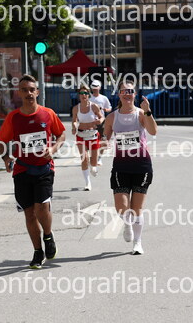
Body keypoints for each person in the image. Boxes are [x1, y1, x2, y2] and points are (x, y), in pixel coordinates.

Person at [0, 75, 66, 269]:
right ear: (19, 93)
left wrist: (53, 149)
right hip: (22, 170)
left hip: (44, 169)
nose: (28, 93)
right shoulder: (13, 117)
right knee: (29, 214)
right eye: (24, 90)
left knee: (42, 208)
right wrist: (6, 158)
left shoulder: (48, 114)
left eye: (31, 89)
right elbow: (1, 141)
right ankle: (37, 251)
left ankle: (48, 235)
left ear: (37, 92)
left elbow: (61, 134)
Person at [103, 80, 157, 255]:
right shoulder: (112, 117)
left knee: (137, 208)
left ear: (134, 94)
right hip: (121, 166)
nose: (127, 94)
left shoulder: (141, 114)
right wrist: (103, 144)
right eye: (124, 91)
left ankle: (137, 242)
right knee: (122, 207)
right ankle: (127, 224)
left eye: (130, 91)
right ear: (119, 94)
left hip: (141, 165)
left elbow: (153, 131)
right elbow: (105, 137)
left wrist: (147, 111)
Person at [71, 85, 104, 191]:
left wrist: (100, 121)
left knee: (93, 163)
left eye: (85, 93)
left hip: (93, 135)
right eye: (81, 93)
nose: (83, 95)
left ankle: (93, 167)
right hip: (81, 135)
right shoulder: (76, 108)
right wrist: (74, 127)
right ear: (79, 95)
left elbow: (102, 117)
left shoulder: (94, 106)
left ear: (88, 95)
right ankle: (87, 183)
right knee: (84, 159)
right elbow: (74, 120)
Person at [89, 80, 112, 164]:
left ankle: (99, 157)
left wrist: (105, 109)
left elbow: (110, 108)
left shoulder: (103, 98)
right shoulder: (88, 97)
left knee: (103, 139)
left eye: (96, 87)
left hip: (102, 121)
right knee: (91, 140)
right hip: (91, 121)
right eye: (93, 87)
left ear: (99, 88)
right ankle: (92, 157)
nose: (95, 89)